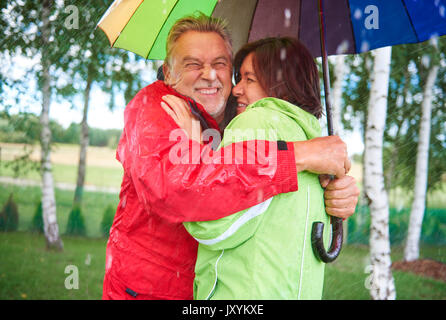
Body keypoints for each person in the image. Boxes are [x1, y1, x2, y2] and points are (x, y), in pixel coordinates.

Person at [102, 13, 359, 300]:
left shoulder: (238, 115)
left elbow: (261, 196)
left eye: (220, 64)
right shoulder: (155, 107)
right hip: (149, 291)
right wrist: (297, 156)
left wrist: (334, 193)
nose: (210, 75)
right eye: (193, 65)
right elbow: (173, 189)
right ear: (169, 71)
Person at [165, 36, 336, 299]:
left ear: (283, 87)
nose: (236, 89)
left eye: (249, 79)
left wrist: (193, 151)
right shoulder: (313, 140)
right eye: (239, 77)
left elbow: (213, 227)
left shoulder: (255, 122)